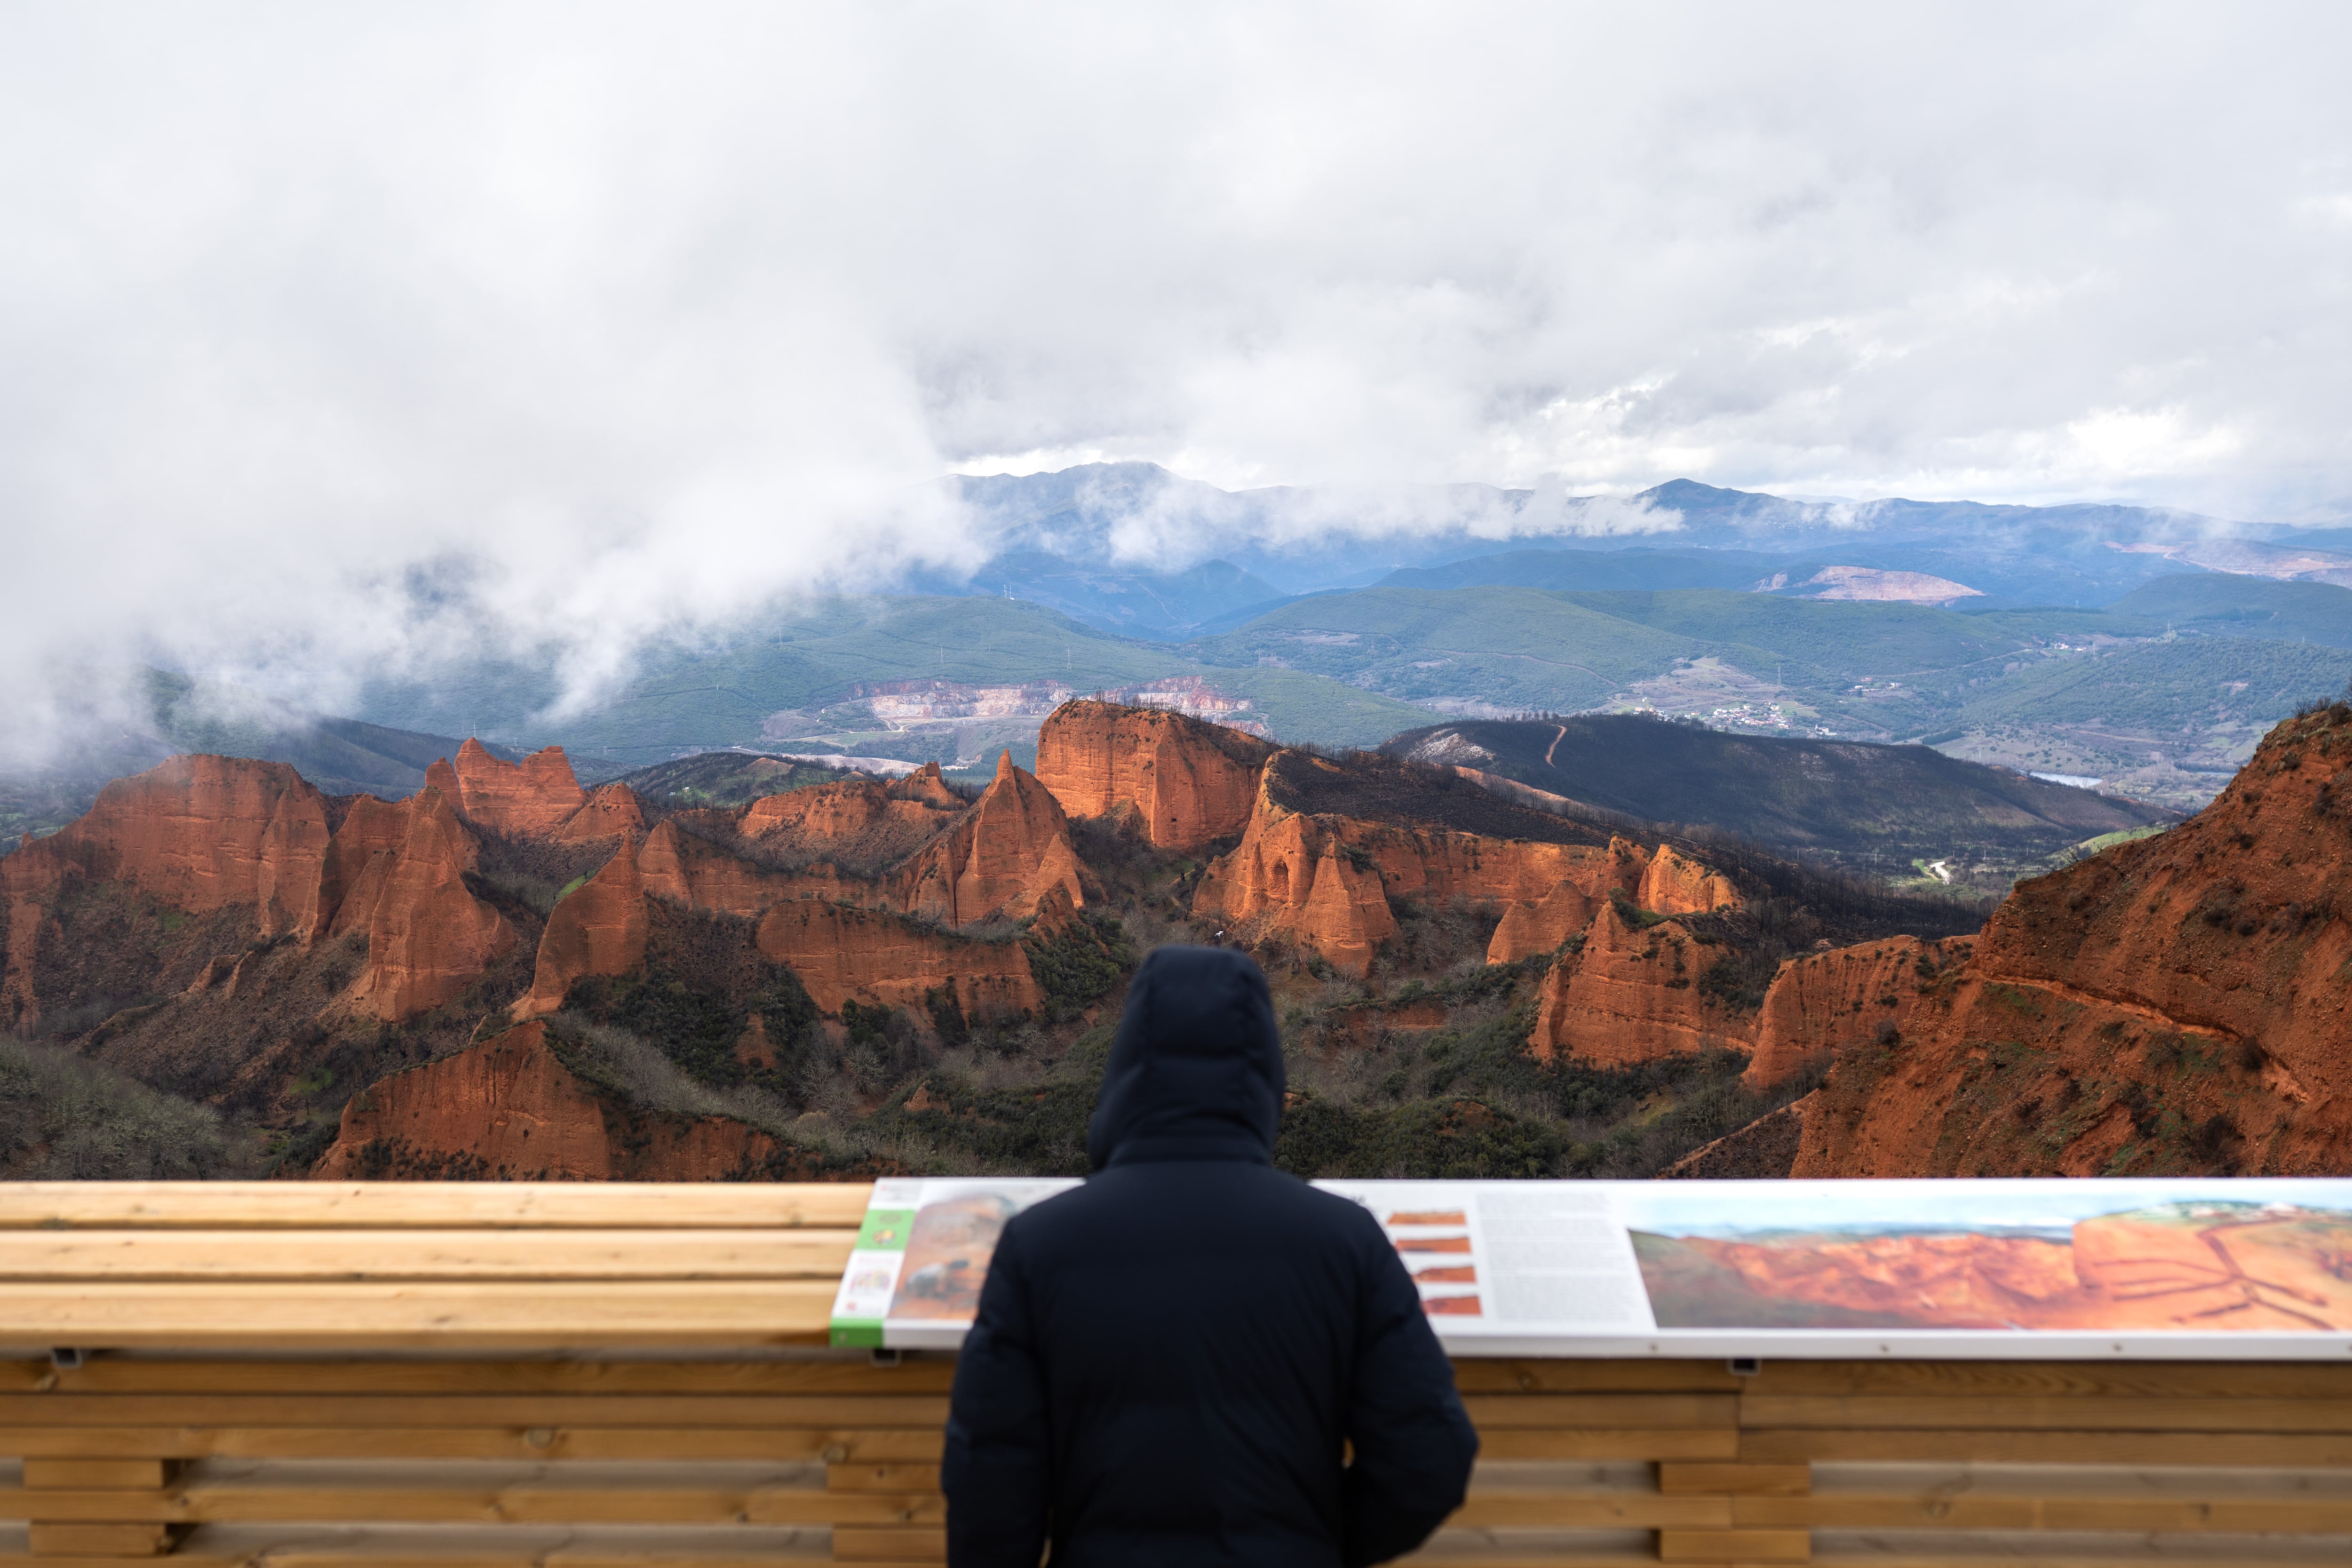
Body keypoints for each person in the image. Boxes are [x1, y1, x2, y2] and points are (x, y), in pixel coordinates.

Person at [941, 945, 1478, 1567]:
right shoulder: (1345, 1240)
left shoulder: (1037, 1245)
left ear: (1125, 1068)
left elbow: (990, 1477)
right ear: (1266, 1074)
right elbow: (1433, 1455)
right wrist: (1318, 1538)